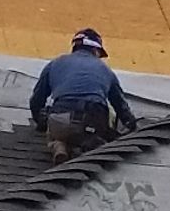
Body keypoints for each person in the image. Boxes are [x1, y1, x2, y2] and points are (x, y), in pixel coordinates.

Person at [30, 28, 137, 164]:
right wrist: (131, 124)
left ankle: (59, 146)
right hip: (91, 122)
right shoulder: (105, 70)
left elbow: (36, 100)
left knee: (55, 134)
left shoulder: (55, 64)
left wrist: (40, 121)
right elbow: (120, 105)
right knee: (105, 116)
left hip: (59, 121)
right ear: (95, 50)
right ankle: (91, 145)